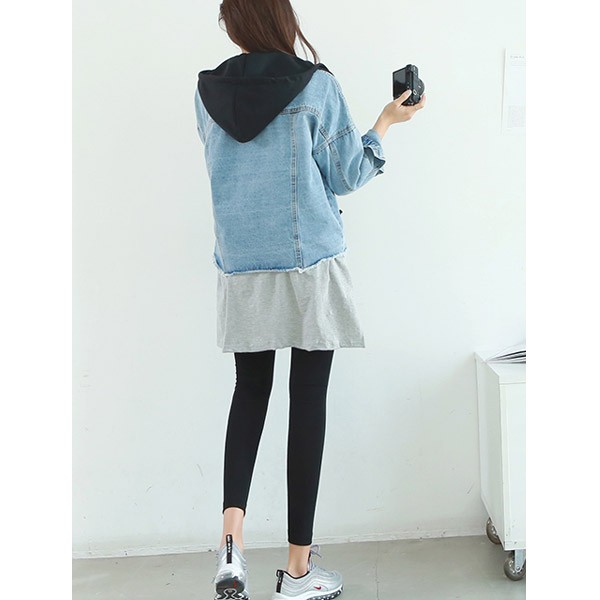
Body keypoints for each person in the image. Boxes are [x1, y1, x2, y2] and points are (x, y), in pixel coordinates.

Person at [193, 2, 426, 599]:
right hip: (309, 265)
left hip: (242, 264)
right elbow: (347, 174)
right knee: (307, 400)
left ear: (234, 26)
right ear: (281, 18)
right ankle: (298, 572)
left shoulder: (207, 92)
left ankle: (231, 543)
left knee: (250, 393)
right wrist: (386, 121)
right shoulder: (314, 86)